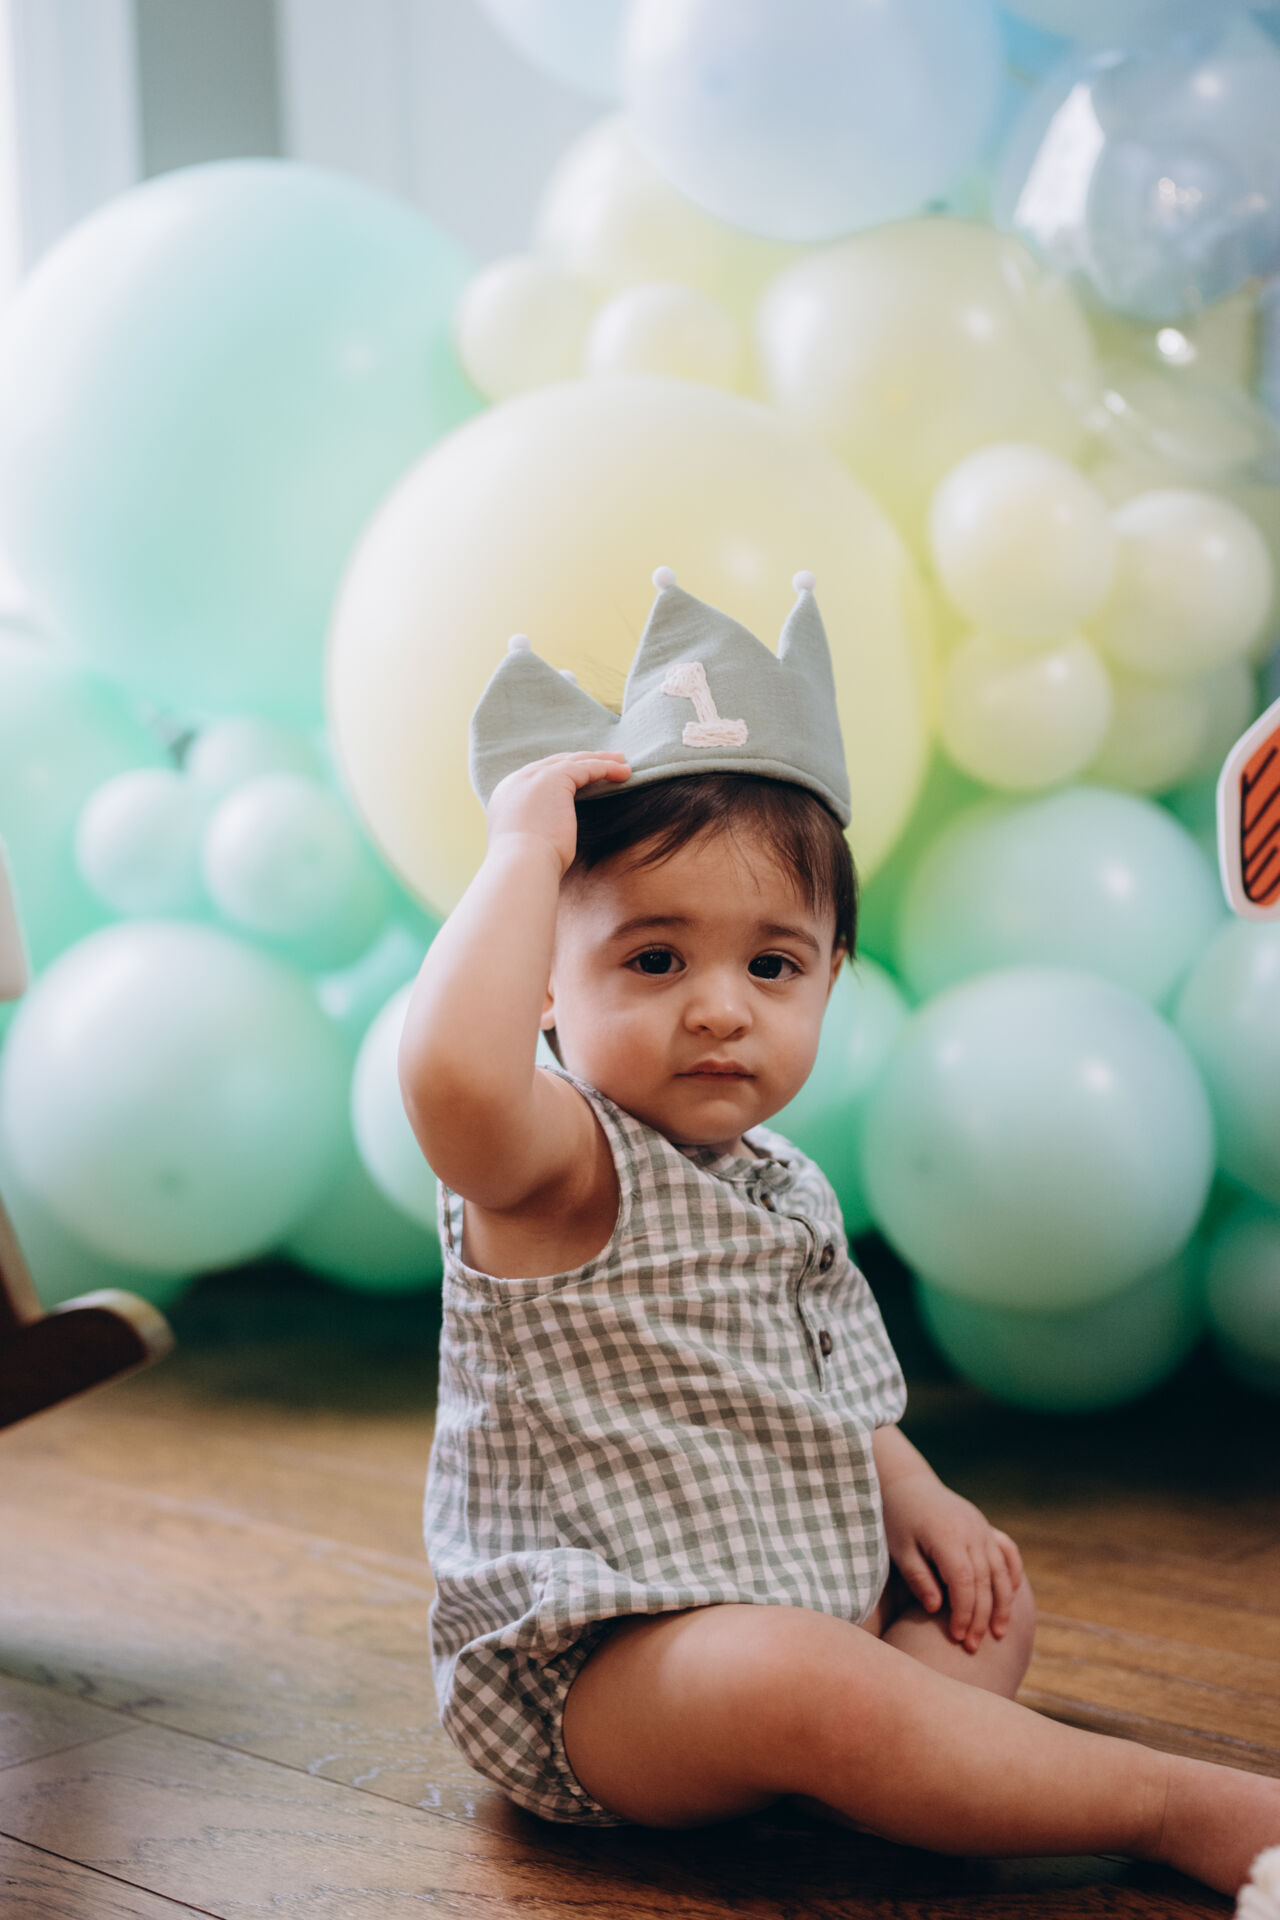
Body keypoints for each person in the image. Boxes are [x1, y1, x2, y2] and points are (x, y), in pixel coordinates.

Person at [399, 567, 1278, 1897]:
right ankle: (1167, 1805)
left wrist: (917, 1495)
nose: (720, 1009)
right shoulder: (559, 1161)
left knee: (977, 1598)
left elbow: (828, 1390)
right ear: (545, 987)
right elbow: (452, 1082)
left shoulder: (787, 1185)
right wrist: (524, 854)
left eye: (772, 966)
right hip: (604, 1676)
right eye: (653, 960)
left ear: (829, 977)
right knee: (792, 1675)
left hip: (798, 1595)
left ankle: (895, 1764)